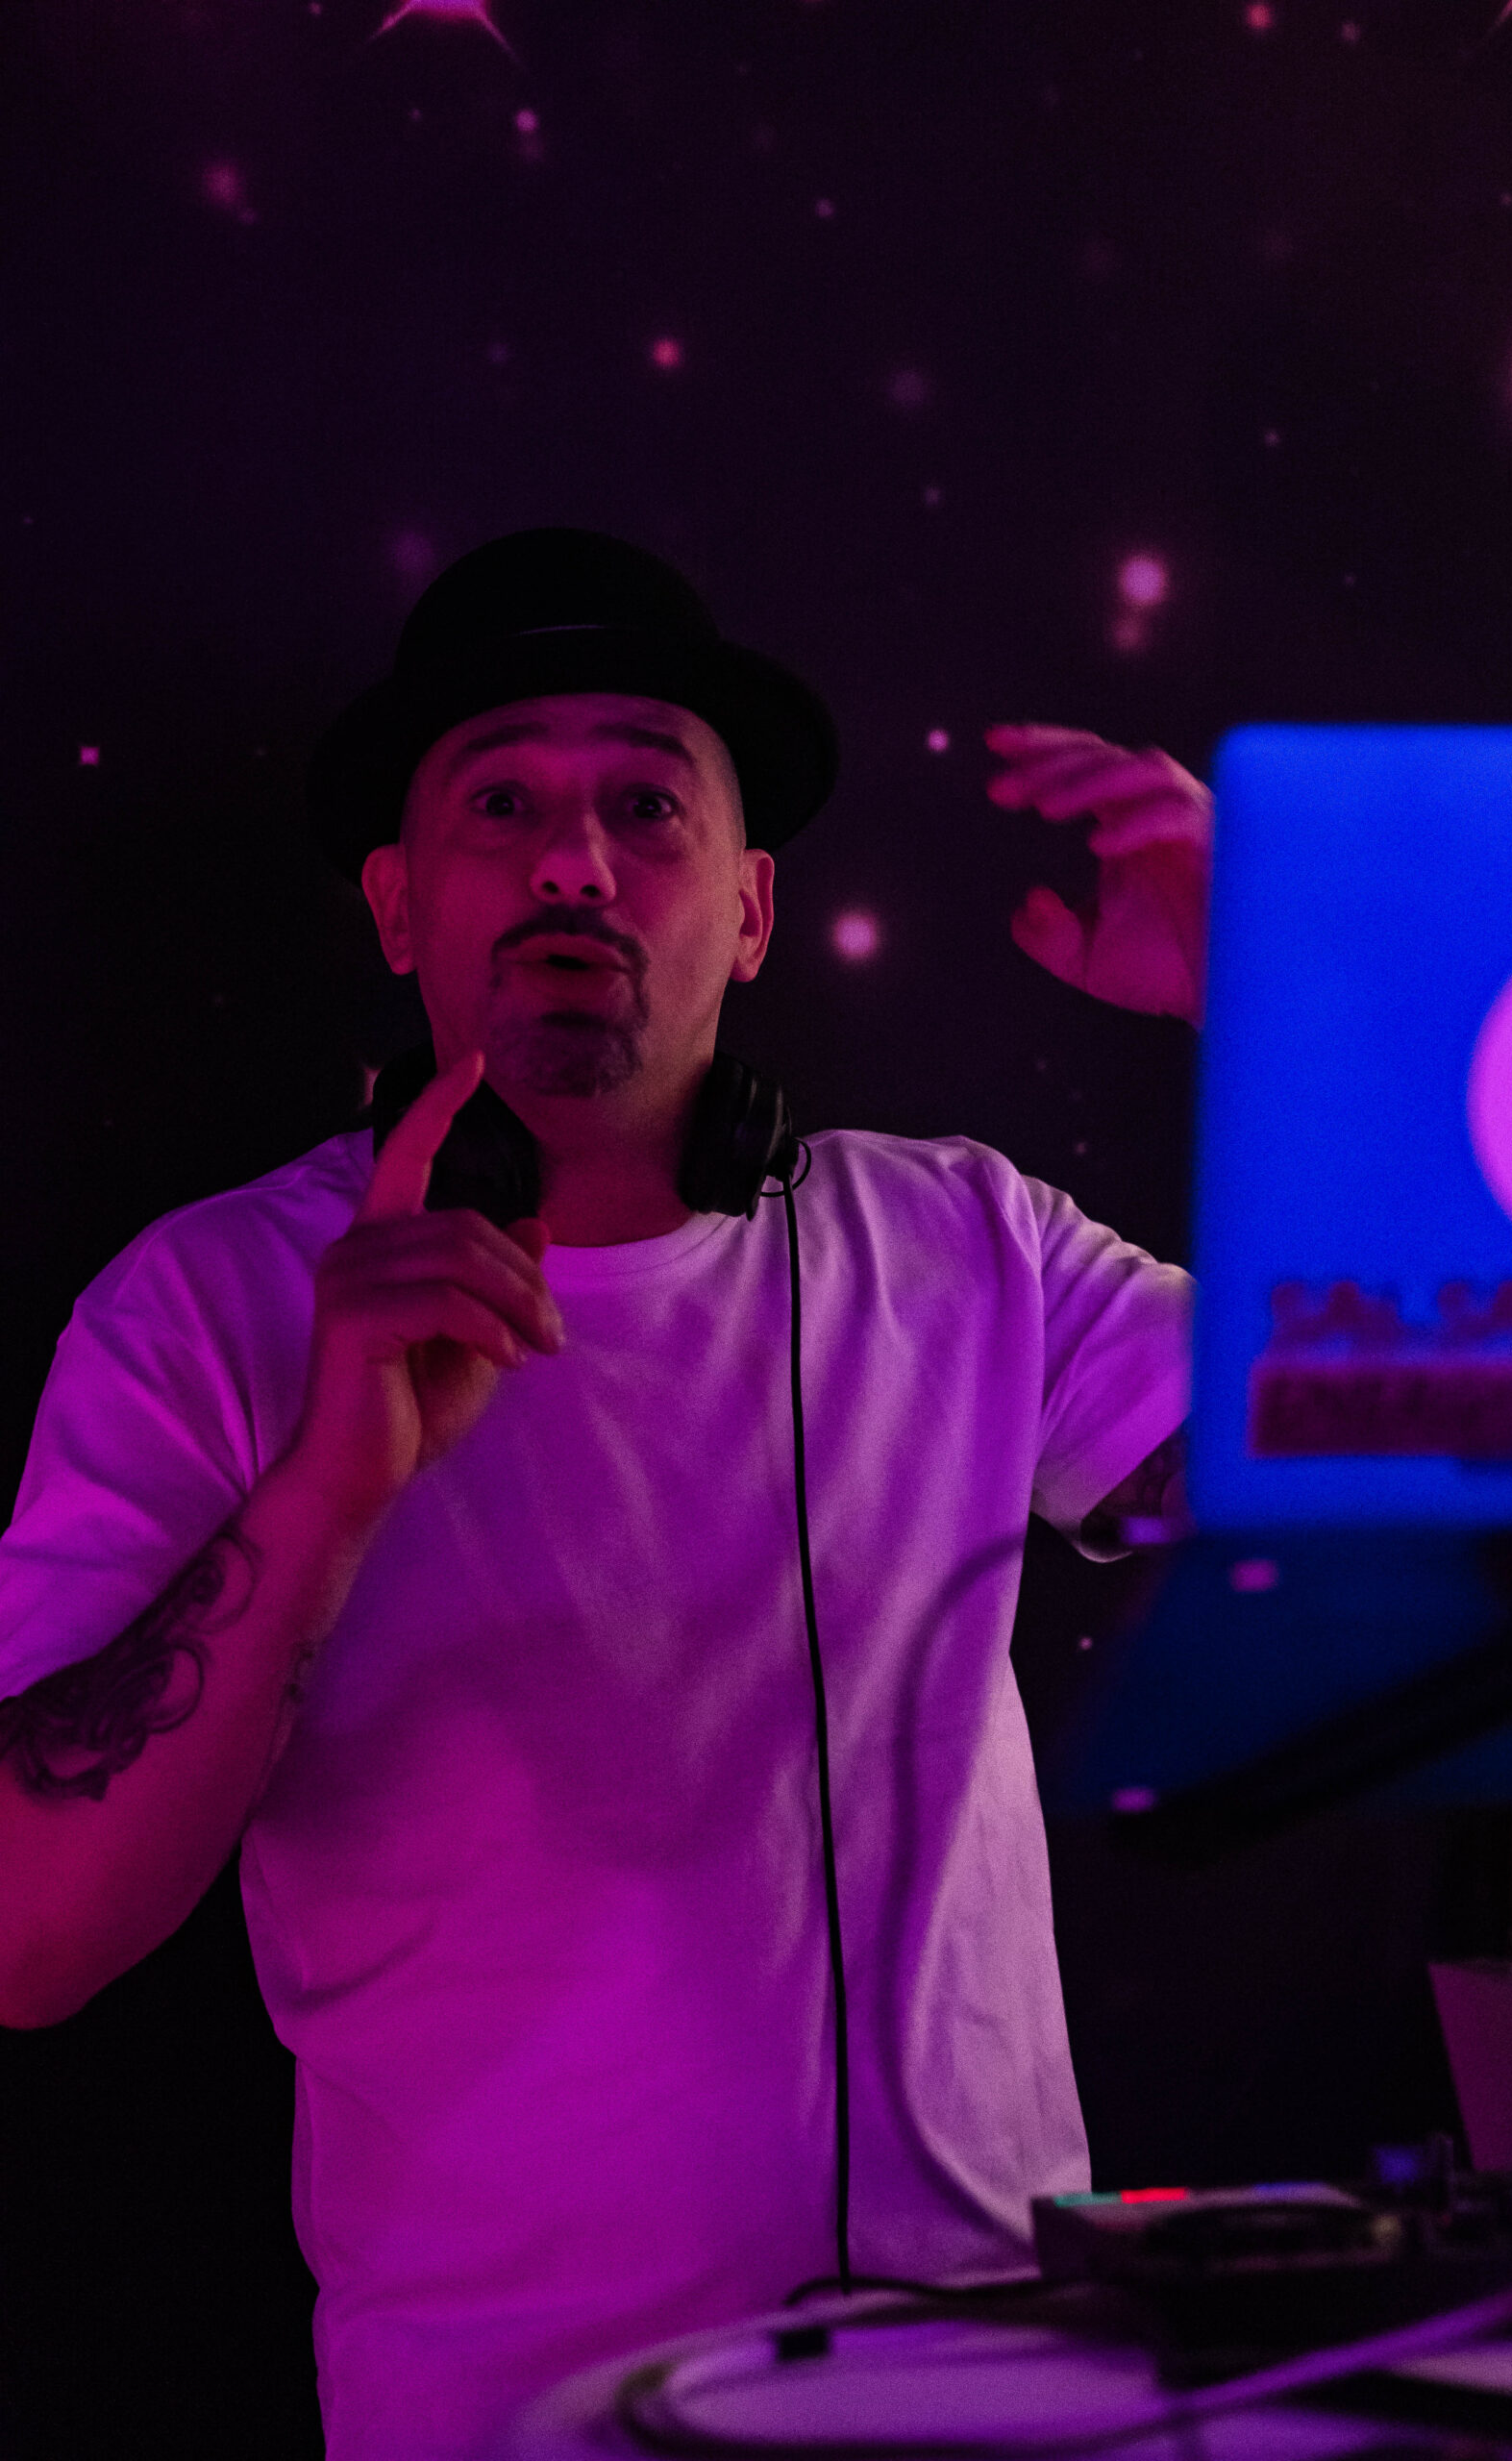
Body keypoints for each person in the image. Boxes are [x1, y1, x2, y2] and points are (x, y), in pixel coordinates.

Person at [0, 531, 1205, 2461]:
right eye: (501, 804)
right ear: (398, 908)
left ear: (751, 908)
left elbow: (1486, 1451)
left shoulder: (969, 1246)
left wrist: (1292, 1009)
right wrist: (326, 1495)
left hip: (1005, 2403)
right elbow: (26, 1930)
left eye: (647, 803)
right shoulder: (205, 1308)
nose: (574, 860)